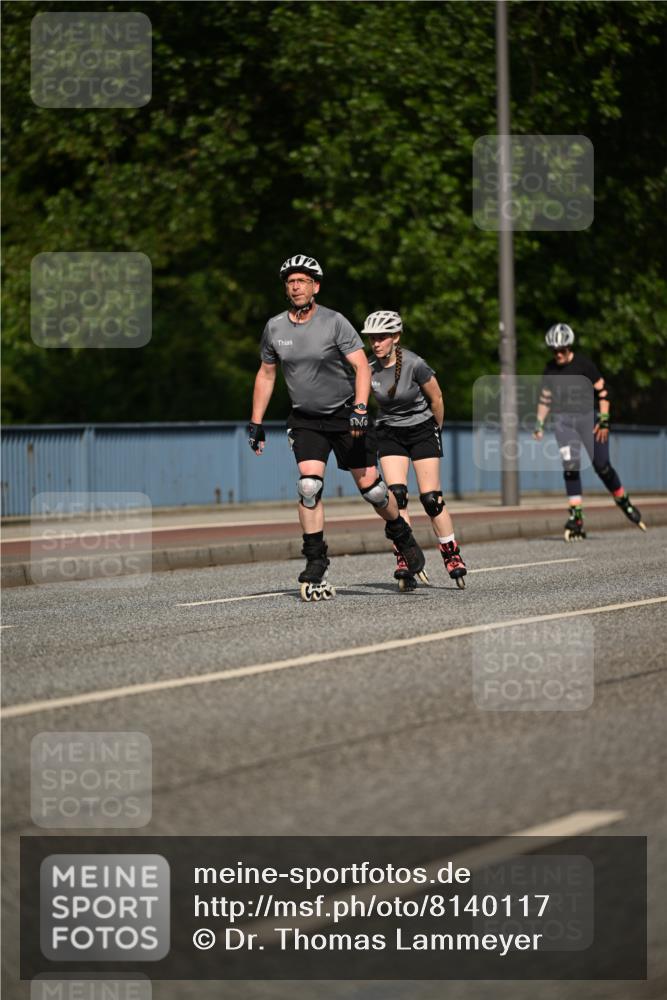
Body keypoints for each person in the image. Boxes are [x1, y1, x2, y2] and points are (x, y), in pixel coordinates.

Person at [247, 255, 427, 600]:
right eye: (290, 282)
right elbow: (266, 374)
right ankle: (315, 561)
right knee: (309, 485)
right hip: (306, 419)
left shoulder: (334, 322)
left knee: (372, 490)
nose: (295, 286)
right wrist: (255, 422)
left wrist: (360, 408)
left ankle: (401, 533)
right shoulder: (275, 328)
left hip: (345, 414)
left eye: (302, 281)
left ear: (316, 286)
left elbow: (361, 366)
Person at [363, 310, 467, 590]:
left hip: (422, 428)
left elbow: (437, 398)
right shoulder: (368, 369)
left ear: (396, 337)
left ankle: (450, 553)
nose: (376, 343)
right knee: (396, 496)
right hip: (389, 432)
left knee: (432, 499)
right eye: (373, 338)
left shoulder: (415, 364)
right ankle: (405, 557)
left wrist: (436, 430)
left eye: (382, 337)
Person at [533, 322, 646, 541]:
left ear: (569, 347)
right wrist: (539, 423)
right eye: (554, 351)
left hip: (588, 420)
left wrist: (604, 420)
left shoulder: (584, 365)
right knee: (570, 465)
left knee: (602, 466)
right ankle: (576, 516)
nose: (558, 354)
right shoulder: (550, 369)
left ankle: (623, 500)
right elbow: (545, 398)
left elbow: (603, 392)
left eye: (562, 350)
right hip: (564, 423)